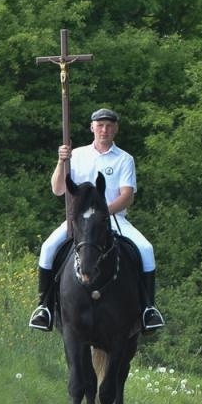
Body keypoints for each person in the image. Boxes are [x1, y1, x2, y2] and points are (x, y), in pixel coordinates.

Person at [29, 107, 165, 333]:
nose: (105, 130)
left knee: (146, 249)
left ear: (116, 130)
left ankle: (148, 309)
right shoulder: (77, 155)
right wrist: (62, 162)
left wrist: (101, 213)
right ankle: (44, 308)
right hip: (79, 221)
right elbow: (57, 189)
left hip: (114, 218)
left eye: (109, 126)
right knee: (48, 248)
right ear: (92, 128)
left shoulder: (124, 159)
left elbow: (126, 196)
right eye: (100, 125)